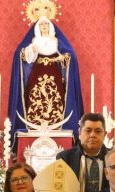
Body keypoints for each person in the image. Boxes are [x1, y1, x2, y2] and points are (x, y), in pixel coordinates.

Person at [8, 15, 84, 145]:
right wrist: (30, 50)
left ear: (50, 26)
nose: (44, 26)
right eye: (42, 24)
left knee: (56, 96)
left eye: (46, 24)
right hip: (36, 74)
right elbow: (22, 57)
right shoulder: (33, 41)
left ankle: (55, 125)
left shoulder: (56, 41)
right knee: (34, 96)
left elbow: (68, 55)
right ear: (38, 27)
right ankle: (34, 125)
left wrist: (63, 58)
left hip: (54, 74)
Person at [56, 112, 109, 192]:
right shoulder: (65, 158)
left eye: (98, 131)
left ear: (104, 134)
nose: (92, 135)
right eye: (88, 131)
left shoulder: (113, 157)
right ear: (80, 133)